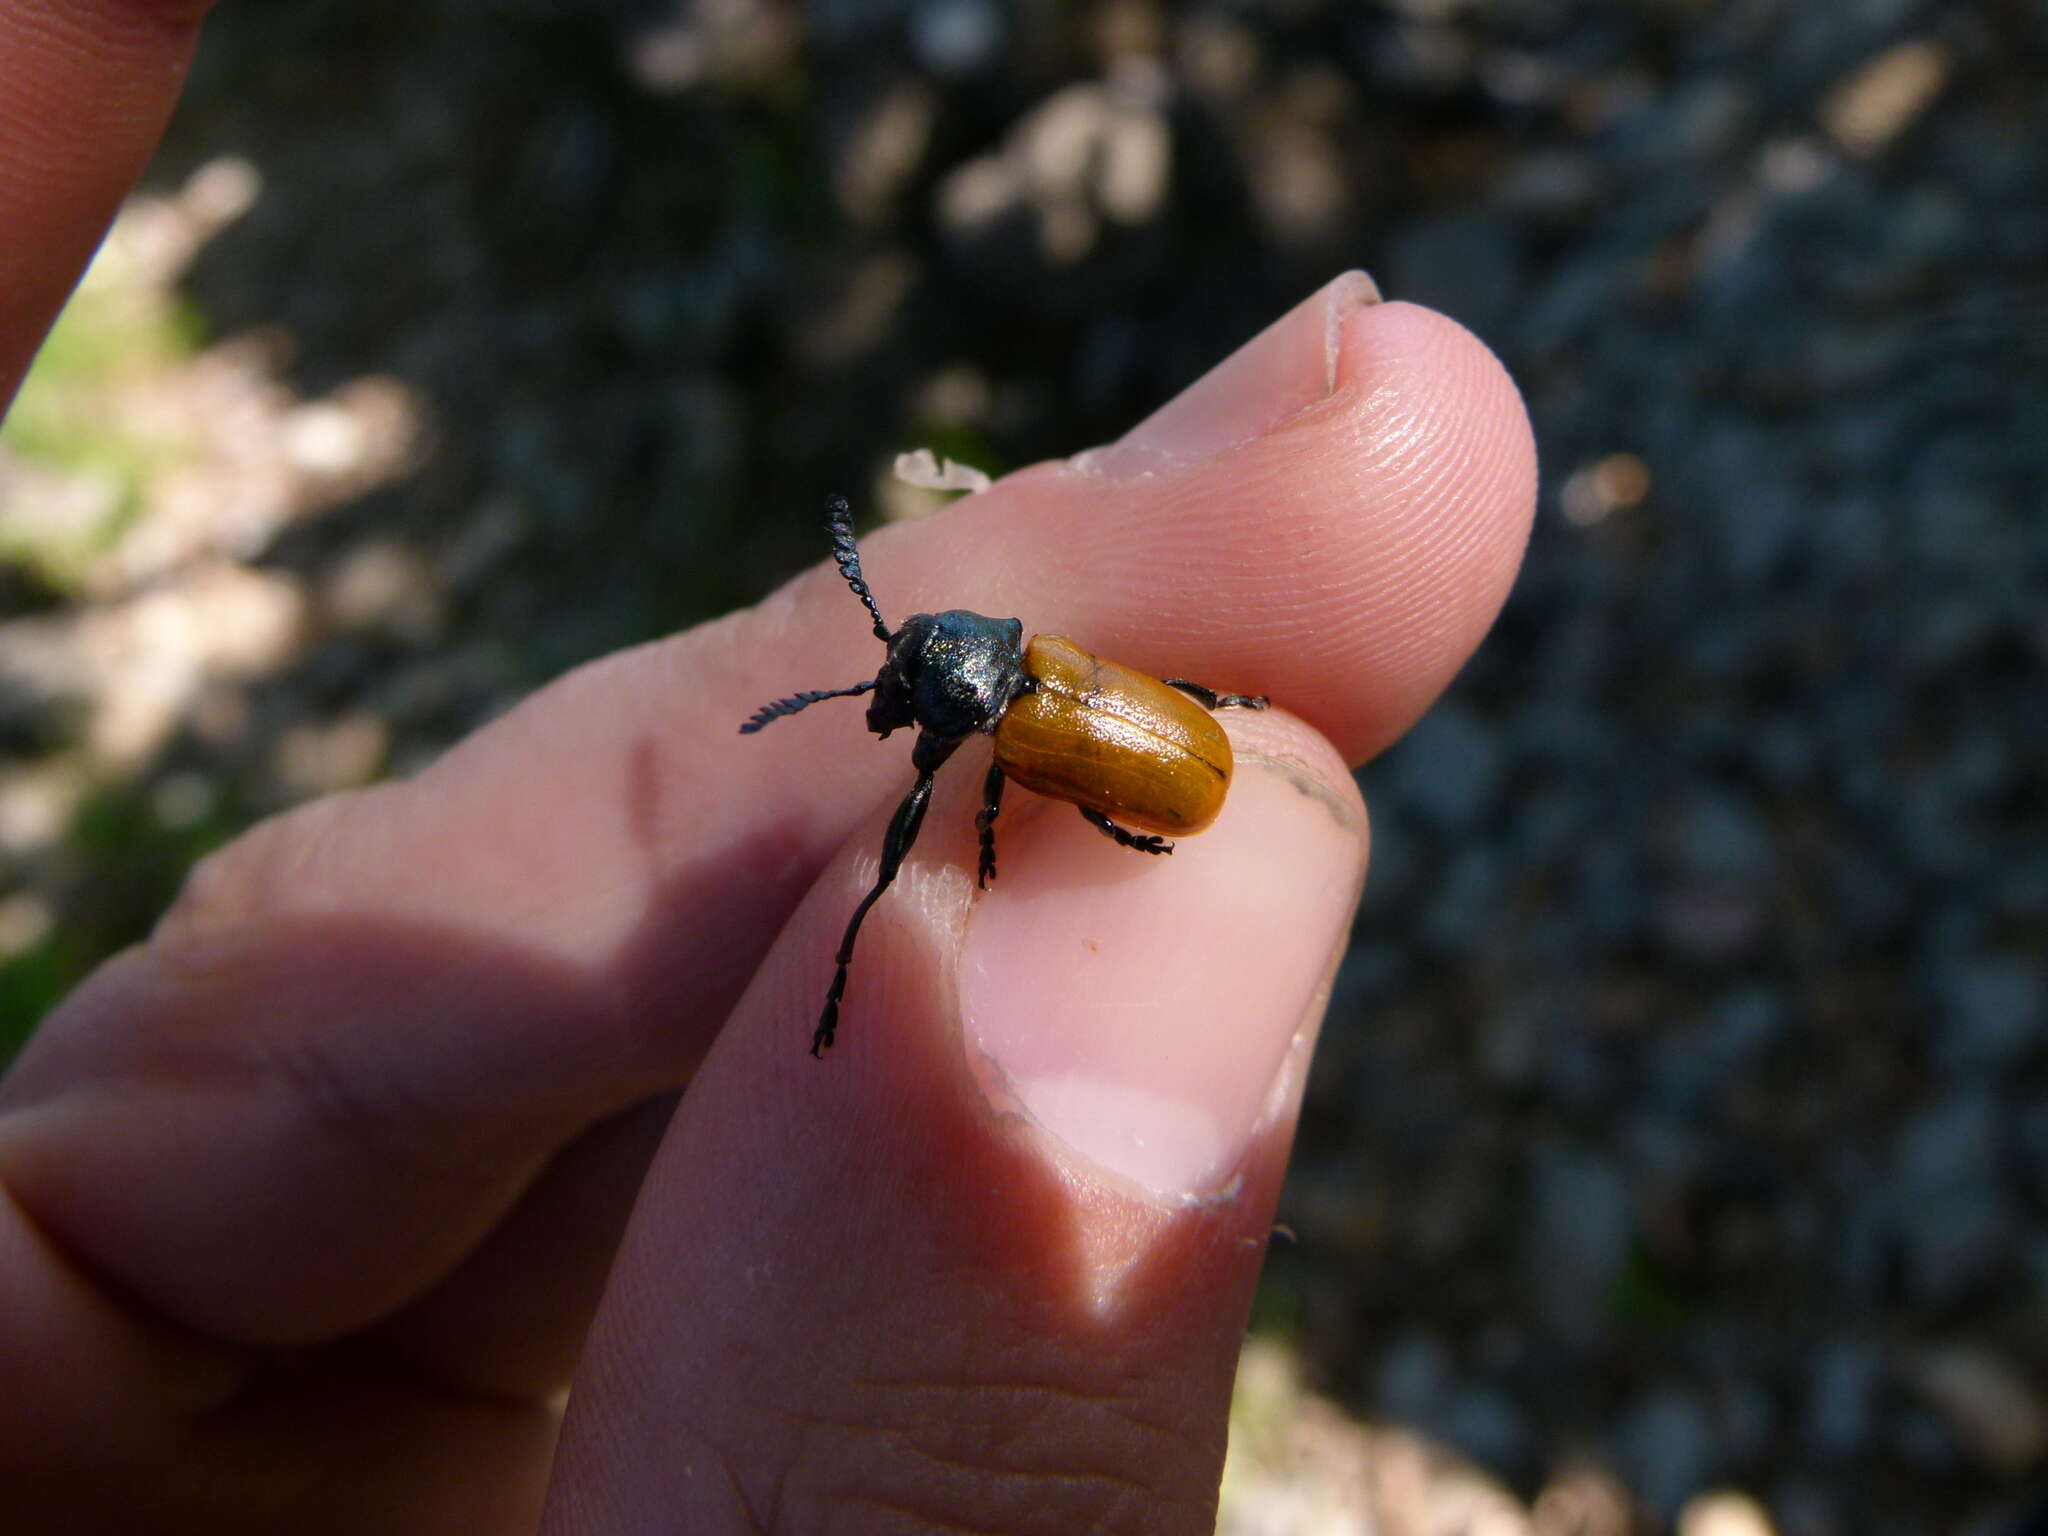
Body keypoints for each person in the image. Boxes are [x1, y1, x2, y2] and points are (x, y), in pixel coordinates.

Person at [0, 4, 1536, 1529]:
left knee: (1002, 839)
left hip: (1177, 769)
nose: (896, 704)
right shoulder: (1021, 680)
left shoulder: (1020, 711)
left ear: (953, 682)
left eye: (900, 685)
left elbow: (1022, 741)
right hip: (1160, 744)